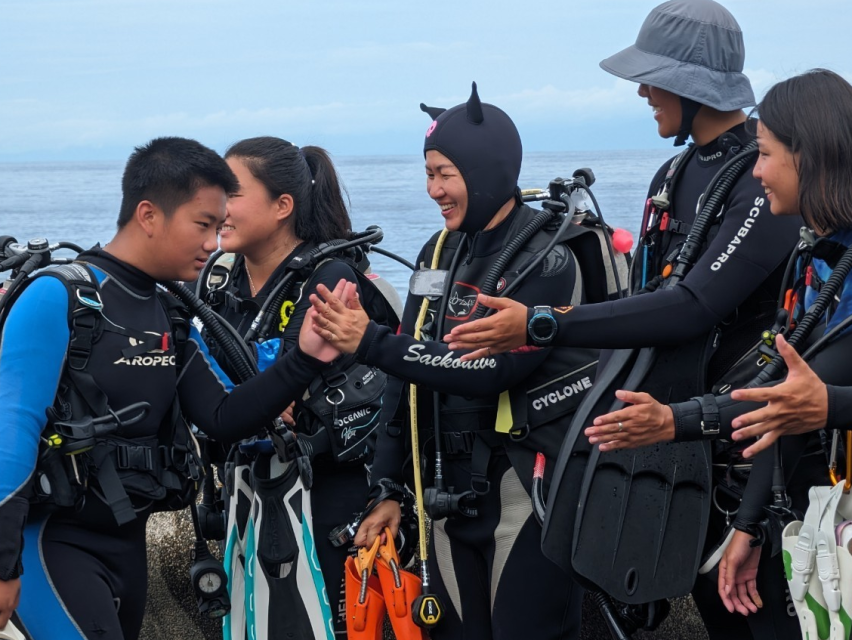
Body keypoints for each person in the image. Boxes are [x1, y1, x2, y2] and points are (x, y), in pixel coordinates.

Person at [443, 2, 806, 639]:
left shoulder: (758, 178)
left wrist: (543, 323)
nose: (641, 91)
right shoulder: (674, 172)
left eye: (652, 77)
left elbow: (692, 305)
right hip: (674, 443)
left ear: (694, 85)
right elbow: (647, 301)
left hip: (751, 453)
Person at [0, 137, 341, 640]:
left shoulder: (169, 312)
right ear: (148, 215)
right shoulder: (58, 297)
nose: (213, 242)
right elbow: (12, 432)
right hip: (51, 548)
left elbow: (224, 416)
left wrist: (304, 359)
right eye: (203, 224)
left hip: (127, 548)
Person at [307, 83, 619, 640]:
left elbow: (497, 370)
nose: (433, 190)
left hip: (526, 488)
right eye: (428, 173)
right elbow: (405, 383)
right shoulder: (437, 253)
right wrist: (386, 486)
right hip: (448, 498)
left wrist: (372, 342)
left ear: (486, 167)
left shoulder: (548, 256)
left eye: (444, 173)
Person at [582, 68, 852, 621]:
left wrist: (673, 421)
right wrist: (748, 527)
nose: (756, 172)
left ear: (811, 157)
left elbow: (802, 399)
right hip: (803, 507)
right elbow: (786, 400)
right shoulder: (814, 256)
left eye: (766, 155)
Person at [198, 136, 395, 638]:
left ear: (283, 206)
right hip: (251, 492)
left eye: (233, 193)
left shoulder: (328, 275)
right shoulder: (224, 286)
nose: (217, 206)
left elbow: (299, 392)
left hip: (329, 492)